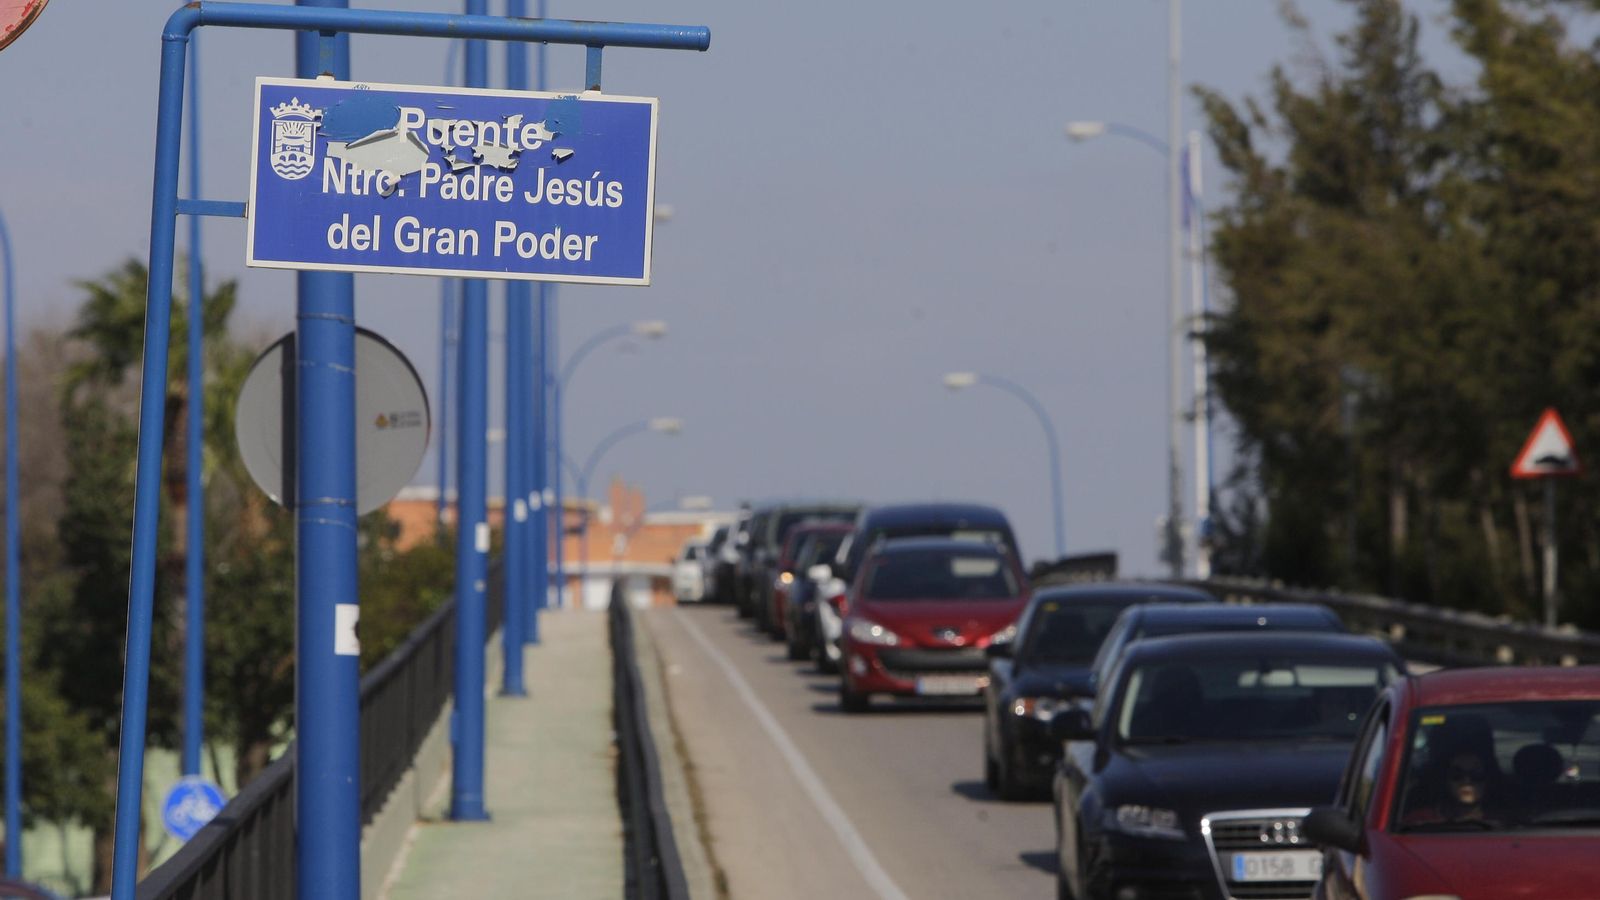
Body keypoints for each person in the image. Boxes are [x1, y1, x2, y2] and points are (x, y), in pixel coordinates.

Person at [1401, 748, 1501, 827]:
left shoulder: (1503, 823)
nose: (1467, 781)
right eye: (1457, 774)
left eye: (1476, 774)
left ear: (1488, 779)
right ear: (1445, 780)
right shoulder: (1419, 822)